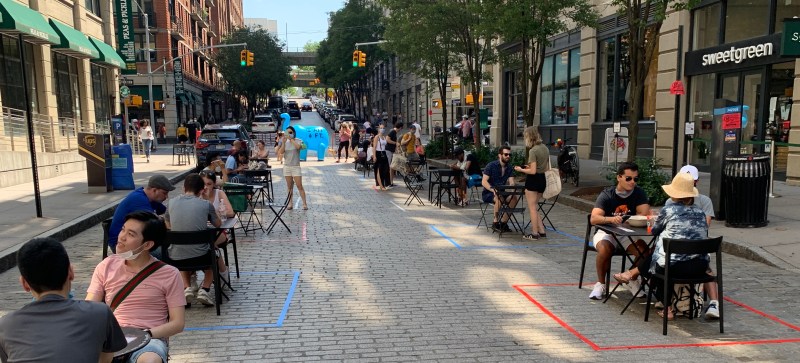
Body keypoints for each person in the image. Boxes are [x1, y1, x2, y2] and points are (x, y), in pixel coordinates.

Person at [611, 173, 719, 320]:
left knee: (657, 261)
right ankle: (632, 274)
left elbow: (655, 230)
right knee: (659, 257)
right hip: (700, 266)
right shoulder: (700, 212)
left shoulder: (669, 210)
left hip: (675, 268)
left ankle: (666, 306)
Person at [0, 238, 127, 363]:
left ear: (24, 284)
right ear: (71, 272)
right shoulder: (100, 313)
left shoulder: (6, 325)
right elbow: (105, 358)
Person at [87, 211, 185, 363]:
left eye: (131, 234)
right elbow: (90, 308)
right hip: (112, 338)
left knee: (150, 361)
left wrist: (146, 335)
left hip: (149, 340)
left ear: (147, 244)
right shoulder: (106, 266)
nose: (122, 237)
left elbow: (177, 323)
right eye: (123, 229)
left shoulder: (170, 274)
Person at [588, 161, 651, 300]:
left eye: (635, 179)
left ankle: (632, 277)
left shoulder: (639, 193)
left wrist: (635, 218)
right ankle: (601, 284)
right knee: (605, 250)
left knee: (645, 252)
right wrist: (610, 220)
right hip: (606, 232)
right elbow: (594, 218)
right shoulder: (607, 194)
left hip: (627, 234)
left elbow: (645, 213)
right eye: (628, 178)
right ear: (619, 177)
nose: (632, 182)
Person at [164, 174, 221, 307]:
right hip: (201, 257)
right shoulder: (205, 204)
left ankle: (186, 288)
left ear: (184, 188)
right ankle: (205, 289)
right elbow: (218, 224)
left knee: (182, 248)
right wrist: (208, 200)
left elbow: (168, 224)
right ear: (202, 190)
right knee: (215, 254)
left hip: (175, 257)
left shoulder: (171, 203)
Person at [108, 175, 174, 254]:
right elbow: (156, 225)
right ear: (154, 190)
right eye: (164, 193)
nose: (166, 197)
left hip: (136, 239)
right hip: (121, 244)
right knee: (167, 253)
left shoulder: (151, 198)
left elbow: (167, 212)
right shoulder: (139, 200)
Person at [514, 126, 549, 240]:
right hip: (543, 179)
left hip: (533, 181)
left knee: (532, 208)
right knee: (535, 206)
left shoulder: (533, 151)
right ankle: (542, 230)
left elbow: (532, 171)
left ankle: (534, 233)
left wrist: (521, 170)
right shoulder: (544, 148)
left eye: (525, 136)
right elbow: (545, 167)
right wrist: (528, 166)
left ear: (529, 137)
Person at [481, 146, 519, 232]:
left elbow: (511, 182)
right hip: (488, 193)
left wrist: (513, 189)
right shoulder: (491, 165)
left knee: (514, 198)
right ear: (500, 155)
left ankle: (503, 223)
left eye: (509, 154)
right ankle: (495, 222)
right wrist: (492, 190)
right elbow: (484, 182)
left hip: (502, 192)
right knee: (499, 197)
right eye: (506, 154)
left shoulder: (509, 167)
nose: (508, 156)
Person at [277, 125, 308, 210]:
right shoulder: (284, 142)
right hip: (287, 167)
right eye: (287, 132)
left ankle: (304, 203)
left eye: (290, 132)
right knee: (289, 186)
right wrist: (283, 142)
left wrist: (291, 140)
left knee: (299, 185)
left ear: (294, 133)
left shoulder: (298, 141)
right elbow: (280, 152)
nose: (289, 134)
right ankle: (290, 203)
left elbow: (299, 147)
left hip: (296, 167)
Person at [371, 126, 390, 190]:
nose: (382, 129)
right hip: (378, 153)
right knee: (379, 170)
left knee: (386, 169)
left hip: (384, 153)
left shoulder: (384, 137)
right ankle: (381, 185)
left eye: (383, 128)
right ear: (378, 129)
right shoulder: (377, 137)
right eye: (381, 128)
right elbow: (374, 147)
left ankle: (385, 183)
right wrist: (374, 156)